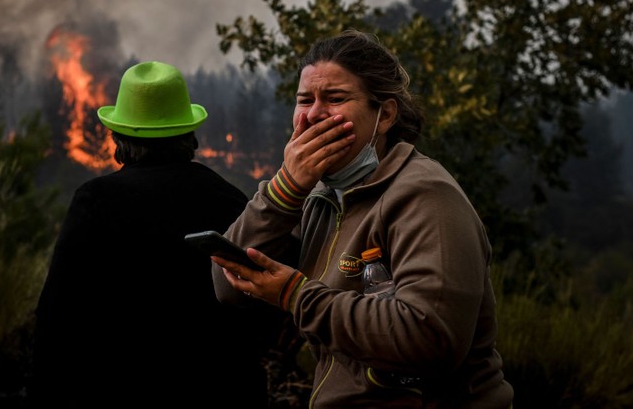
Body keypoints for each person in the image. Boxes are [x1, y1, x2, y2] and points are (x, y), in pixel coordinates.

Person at [211, 30, 514, 408]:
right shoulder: (320, 197)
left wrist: (297, 295)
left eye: (335, 99)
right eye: (305, 100)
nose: (314, 113)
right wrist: (284, 190)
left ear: (385, 115)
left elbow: (430, 339)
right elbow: (230, 284)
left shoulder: (426, 195)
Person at [31, 60, 279, 408]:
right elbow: (264, 307)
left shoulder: (96, 200)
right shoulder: (229, 197)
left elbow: (57, 317)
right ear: (188, 134)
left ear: (119, 136)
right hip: (221, 390)